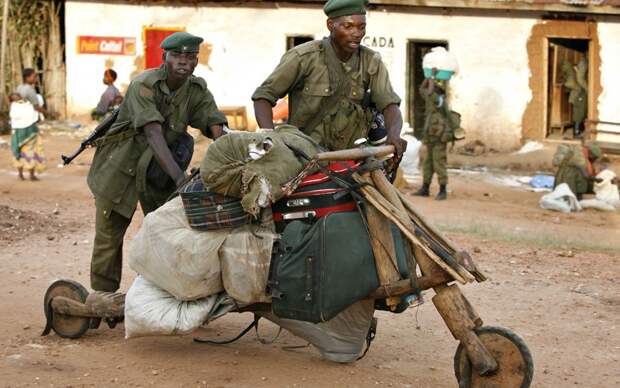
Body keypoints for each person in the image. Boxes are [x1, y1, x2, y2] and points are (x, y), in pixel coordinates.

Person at [86, 31, 227, 293]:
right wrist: (180, 179)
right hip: (121, 169)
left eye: (190, 56)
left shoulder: (196, 89)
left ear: (197, 61)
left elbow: (213, 121)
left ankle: (157, 294)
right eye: (177, 56)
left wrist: (225, 146)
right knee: (109, 238)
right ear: (165, 58)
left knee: (165, 233)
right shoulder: (144, 85)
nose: (184, 61)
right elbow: (153, 133)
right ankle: (102, 299)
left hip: (157, 172)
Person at [252, 0, 406, 166]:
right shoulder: (303, 57)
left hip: (348, 157)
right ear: (331, 25)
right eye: (348, 26)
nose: (357, 33)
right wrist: (271, 138)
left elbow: (390, 105)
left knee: (382, 189)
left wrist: (394, 135)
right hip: (303, 155)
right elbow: (263, 97)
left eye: (362, 27)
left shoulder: (371, 62)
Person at [414, 71, 457, 200]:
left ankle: (443, 190)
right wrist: (427, 78)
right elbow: (422, 89)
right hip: (430, 136)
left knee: (439, 163)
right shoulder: (430, 100)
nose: (430, 90)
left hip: (439, 137)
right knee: (428, 163)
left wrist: (431, 77)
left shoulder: (439, 101)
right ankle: (425, 188)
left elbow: (429, 92)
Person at [9, 92, 45, 180]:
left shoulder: (16, 106)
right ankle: (25, 174)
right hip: (26, 131)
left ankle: (27, 174)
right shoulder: (17, 105)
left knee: (24, 152)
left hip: (23, 131)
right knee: (26, 152)